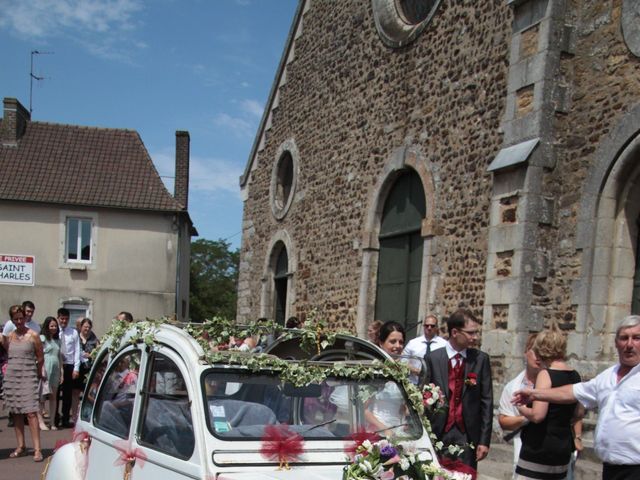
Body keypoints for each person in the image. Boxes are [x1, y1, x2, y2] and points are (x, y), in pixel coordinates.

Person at [513, 315, 640, 480]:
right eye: (624, 338)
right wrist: (534, 394)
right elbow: (572, 392)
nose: (629, 344)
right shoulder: (608, 376)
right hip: (611, 468)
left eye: (637, 338)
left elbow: (539, 415)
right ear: (616, 343)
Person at [425, 308, 493, 469]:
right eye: (470, 333)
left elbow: (487, 401)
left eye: (476, 333)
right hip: (439, 431)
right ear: (455, 332)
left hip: (467, 434)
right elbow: (424, 396)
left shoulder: (480, 360)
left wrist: (484, 440)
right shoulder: (433, 359)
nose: (475, 337)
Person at [514, 323, 583, 479]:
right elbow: (579, 412)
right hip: (562, 445)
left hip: (540, 446)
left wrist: (522, 408)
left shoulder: (545, 375)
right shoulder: (575, 375)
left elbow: (538, 415)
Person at [2, 305, 45, 462]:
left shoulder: (33, 335)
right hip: (12, 377)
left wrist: (39, 372)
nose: (19, 321)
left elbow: (40, 357)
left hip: (28, 375)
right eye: (16, 319)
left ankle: (37, 449)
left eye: (21, 318)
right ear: (12, 320)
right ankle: (21, 446)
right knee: (16, 411)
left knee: (31, 412)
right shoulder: (9, 336)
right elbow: (9, 355)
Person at [498, 333, 540, 478]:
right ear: (526, 352)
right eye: (535, 351)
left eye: (543, 353)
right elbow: (503, 421)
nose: (538, 357)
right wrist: (527, 418)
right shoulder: (513, 387)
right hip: (523, 446)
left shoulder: (554, 384)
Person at [364, 321, 406, 434]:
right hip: (378, 431)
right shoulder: (374, 371)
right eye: (393, 342)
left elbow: (402, 408)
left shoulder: (403, 373)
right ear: (381, 343)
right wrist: (385, 430)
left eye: (401, 342)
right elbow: (363, 410)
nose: (398, 346)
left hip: (399, 430)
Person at [403, 314, 448, 384]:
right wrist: (414, 370)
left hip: (435, 385)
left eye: (432, 326)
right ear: (423, 327)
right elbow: (402, 360)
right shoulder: (413, 343)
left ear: (436, 328)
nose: (429, 328)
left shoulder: (444, 344)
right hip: (414, 383)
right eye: (426, 325)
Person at [57, 308, 81, 428]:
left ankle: (65, 418)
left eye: (66, 319)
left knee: (67, 394)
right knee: (55, 393)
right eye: (62, 318)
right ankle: (55, 418)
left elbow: (77, 350)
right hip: (57, 365)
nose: (64, 321)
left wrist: (76, 368)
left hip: (69, 365)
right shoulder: (55, 331)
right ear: (58, 318)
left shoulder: (73, 332)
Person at [39, 316, 63, 431]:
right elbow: (38, 355)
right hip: (45, 368)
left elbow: (59, 357)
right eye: (51, 326)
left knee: (54, 396)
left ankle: (53, 422)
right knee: (42, 396)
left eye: (55, 326)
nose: (54, 328)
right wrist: (41, 369)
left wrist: (61, 372)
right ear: (47, 326)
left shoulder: (58, 340)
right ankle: (40, 421)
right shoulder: (42, 338)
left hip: (55, 369)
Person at [78, 318, 99, 387]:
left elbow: (99, 353)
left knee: (88, 391)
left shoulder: (94, 339)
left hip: (89, 369)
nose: (87, 329)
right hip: (78, 368)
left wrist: (91, 355)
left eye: (89, 327)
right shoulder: (76, 337)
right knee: (75, 391)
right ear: (81, 327)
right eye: (85, 327)